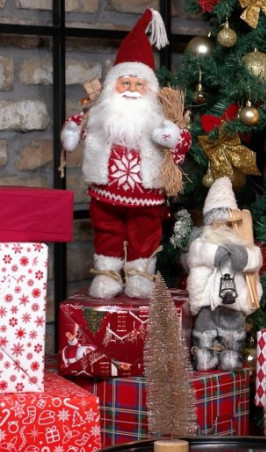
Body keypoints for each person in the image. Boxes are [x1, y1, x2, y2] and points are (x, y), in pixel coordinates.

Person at [60, 8, 190, 299]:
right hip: (105, 191)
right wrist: (70, 134)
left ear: (149, 88)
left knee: (145, 232)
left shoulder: (158, 117)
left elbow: (182, 143)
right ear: (112, 86)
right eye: (125, 83)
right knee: (106, 230)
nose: (131, 89)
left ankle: (140, 276)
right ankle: (107, 275)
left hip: (146, 194)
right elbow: (77, 125)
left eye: (138, 84)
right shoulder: (100, 114)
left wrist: (173, 137)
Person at [186, 177, 263, 371]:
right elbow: (196, 256)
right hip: (208, 301)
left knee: (233, 327)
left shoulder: (243, 245)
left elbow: (255, 259)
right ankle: (204, 355)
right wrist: (215, 254)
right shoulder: (202, 244)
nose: (221, 228)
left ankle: (231, 355)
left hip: (234, 302)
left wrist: (243, 257)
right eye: (216, 223)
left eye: (226, 224)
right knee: (204, 327)